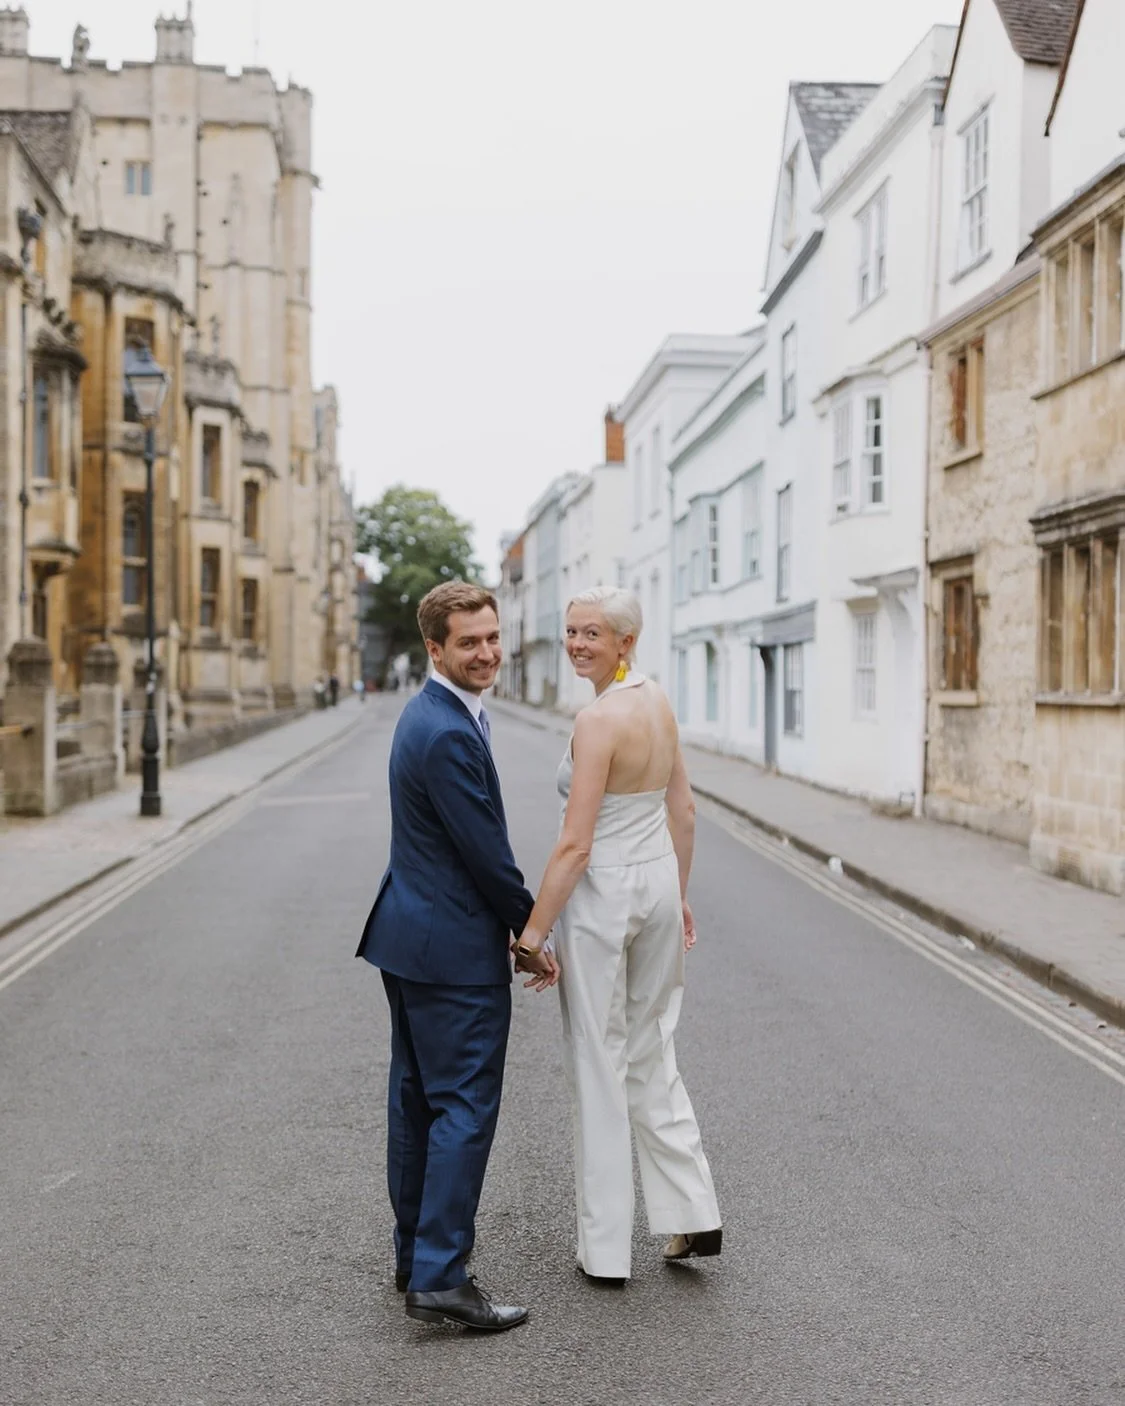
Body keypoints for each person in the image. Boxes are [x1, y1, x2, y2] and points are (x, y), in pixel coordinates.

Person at [356, 581, 556, 1332]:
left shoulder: (435, 713)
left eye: (492, 637)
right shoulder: (443, 730)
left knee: (416, 1103)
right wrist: (530, 934)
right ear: (433, 648)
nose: (487, 653)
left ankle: (415, 1257)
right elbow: (485, 854)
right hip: (448, 949)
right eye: (468, 642)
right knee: (463, 1108)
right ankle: (441, 1276)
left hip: (409, 937)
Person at [517, 586, 721, 1284]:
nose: (576, 643)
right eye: (570, 630)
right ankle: (691, 1213)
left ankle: (604, 1251)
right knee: (651, 1042)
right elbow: (683, 809)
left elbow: (574, 845)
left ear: (625, 641)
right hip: (658, 880)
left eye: (592, 634)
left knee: (597, 1060)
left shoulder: (597, 720)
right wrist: (679, 894)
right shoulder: (657, 701)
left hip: (604, 890)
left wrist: (531, 934)